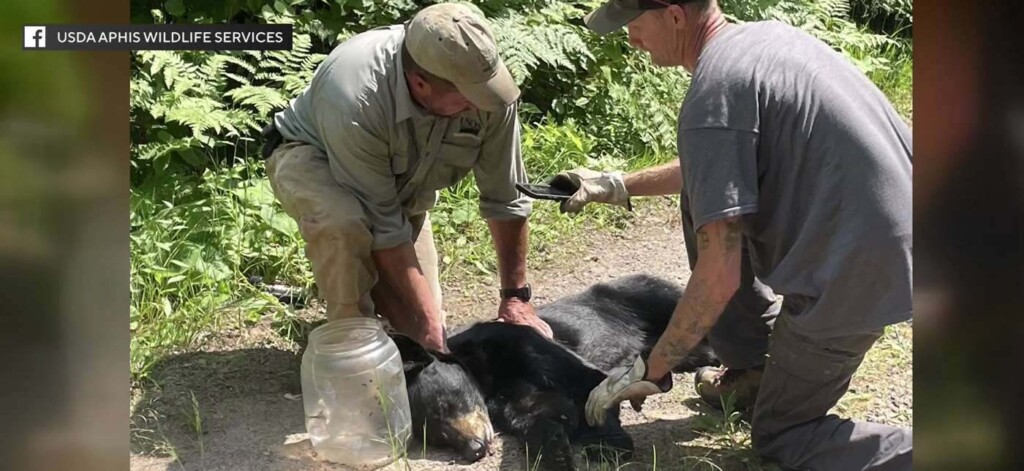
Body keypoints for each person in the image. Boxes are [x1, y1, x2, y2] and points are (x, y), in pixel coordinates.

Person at [559, 1, 913, 469]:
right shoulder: (761, 42)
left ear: (674, 16)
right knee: (705, 199)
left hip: (861, 273)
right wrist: (618, 185)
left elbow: (717, 276)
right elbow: (715, 169)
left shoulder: (715, 92)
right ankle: (756, 367)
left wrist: (652, 367)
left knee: (784, 438)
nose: (632, 40)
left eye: (635, 25)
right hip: (899, 235)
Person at [260, 2, 553, 353]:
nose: (483, 105)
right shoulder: (354, 92)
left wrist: (515, 297)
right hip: (311, 155)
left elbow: (506, 198)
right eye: (468, 99)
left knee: (422, 334)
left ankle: (387, 324)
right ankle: (351, 352)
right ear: (420, 84)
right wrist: (428, 328)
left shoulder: (487, 91)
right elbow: (382, 227)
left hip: (399, 187)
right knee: (345, 226)